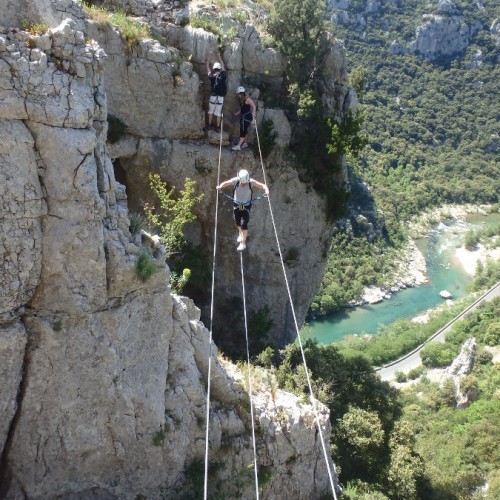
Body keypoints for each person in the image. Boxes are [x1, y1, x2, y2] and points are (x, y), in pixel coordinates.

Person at [216, 169, 269, 251]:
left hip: (246, 205)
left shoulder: (251, 182)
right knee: (237, 222)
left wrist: (266, 190)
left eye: (245, 183)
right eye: (242, 183)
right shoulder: (236, 181)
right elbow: (226, 183)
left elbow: (262, 185)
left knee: (244, 223)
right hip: (237, 204)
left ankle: (243, 243)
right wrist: (220, 186)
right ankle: (240, 234)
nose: (244, 184)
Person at [206, 51, 227, 132]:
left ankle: (209, 125)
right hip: (220, 98)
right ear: (220, 69)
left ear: (214, 69)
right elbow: (223, 65)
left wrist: (208, 58)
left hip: (213, 97)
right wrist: (219, 56)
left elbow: (207, 67)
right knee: (218, 113)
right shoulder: (223, 75)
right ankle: (218, 128)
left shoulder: (212, 76)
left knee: (210, 111)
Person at [232, 87, 256, 151]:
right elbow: (242, 109)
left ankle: (239, 145)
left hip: (247, 118)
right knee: (244, 130)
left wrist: (253, 113)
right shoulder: (241, 100)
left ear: (241, 93)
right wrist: (236, 113)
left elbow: (254, 106)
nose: (238, 95)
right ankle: (245, 143)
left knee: (242, 130)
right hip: (243, 117)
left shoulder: (247, 99)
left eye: (238, 94)